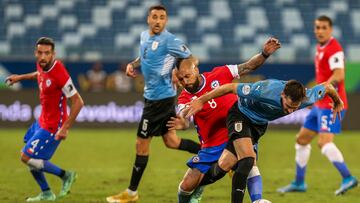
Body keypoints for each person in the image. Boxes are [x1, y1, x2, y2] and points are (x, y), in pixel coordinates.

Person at [185, 79, 344, 203]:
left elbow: (328, 87)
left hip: (258, 126)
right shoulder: (265, 90)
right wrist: (202, 100)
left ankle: (196, 187)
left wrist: (337, 101)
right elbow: (230, 87)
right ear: (282, 95)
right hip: (240, 115)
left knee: (222, 168)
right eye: (288, 106)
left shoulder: (306, 97)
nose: (290, 111)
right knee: (247, 160)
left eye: (294, 108)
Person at [106, 5, 201, 203]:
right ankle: (213, 154)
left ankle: (131, 193)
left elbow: (191, 58)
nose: (158, 21)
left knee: (141, 143)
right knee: (172, 142)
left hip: (161, 100)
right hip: (152, 97)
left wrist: (181, 73)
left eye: (162, 18)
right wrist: (133, 64)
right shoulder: (144, 37)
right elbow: (145, 55)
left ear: (166, 21)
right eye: (155, 17)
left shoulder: (170, 41)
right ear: (148, 19)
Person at [168, 37, 281, 203]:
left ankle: (258, 200)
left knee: (248, 163)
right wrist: (182, 123)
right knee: (186, 186)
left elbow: (247, 66)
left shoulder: (219, 74)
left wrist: (264, 54)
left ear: (196, 70)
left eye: (187, 76)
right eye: (181, 79)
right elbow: (185, 117)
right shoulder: (184, 97)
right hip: (211, 145)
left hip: (236, 132)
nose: (185, 82)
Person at [277, 15, 358, 195]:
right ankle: (299, 183)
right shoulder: (320, 47)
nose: (319, 31)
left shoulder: (334, 49)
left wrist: (324, 87)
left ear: (330, 30)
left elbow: (339, 75)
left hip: (332, 104)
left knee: (324, 143)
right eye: (317, 27)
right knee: (302, 139)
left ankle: (348, 178)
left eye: (323, 27)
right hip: (319, 105)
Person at [5, 37, 84, 201]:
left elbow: (78, 102)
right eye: (40, 53)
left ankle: (65, 175)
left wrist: (65, 128)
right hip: (42, 120)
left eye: (47, 53)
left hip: (54, 126)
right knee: (30, 155)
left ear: (53, 54)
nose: (42, 57)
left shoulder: (59, 72)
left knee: (26, 157)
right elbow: (39, 75)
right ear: (36, 53)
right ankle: (46, 192)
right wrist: (20, 77)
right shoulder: (41, 64)